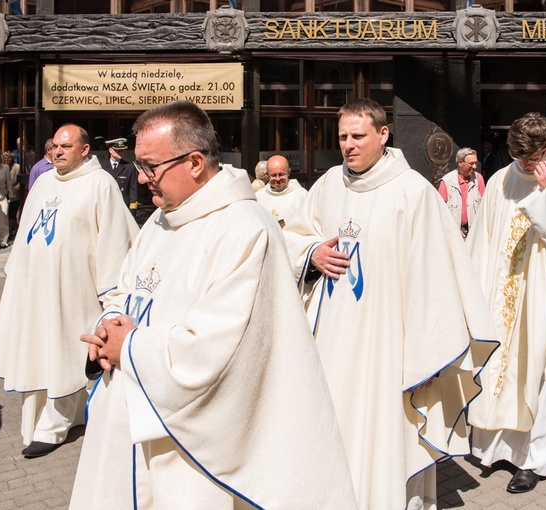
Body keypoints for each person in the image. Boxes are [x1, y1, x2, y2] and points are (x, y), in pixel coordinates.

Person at [70, 101, 356, 509]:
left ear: (194, 162)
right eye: (139, 163)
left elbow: (216, 350)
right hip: (127, 417)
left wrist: (129, 348)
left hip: (191, 447)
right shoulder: (159, 220)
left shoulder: (244, 230)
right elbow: (127, 290)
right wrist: (109, 322)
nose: (141, 176)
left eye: (151, 165)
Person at [284, 98, 497, 509]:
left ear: (384, 135)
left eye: (358, 136)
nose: (348, 145)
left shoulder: (412, 192)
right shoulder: (329, 183)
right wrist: (311, 252)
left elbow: (434, 284)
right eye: (343, 136)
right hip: (331, 346)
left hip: (387, 351)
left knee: (387, 440)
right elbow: (295, 233)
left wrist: (426, 361)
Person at [0, 124, 138, 458]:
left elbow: (114, 238)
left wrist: (111, 291)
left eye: (66, 147)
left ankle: (54, 426)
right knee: (38, 350)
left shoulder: (100, 184)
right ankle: (45, 419)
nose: (57, 152)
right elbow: (27, 231)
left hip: (74, 290)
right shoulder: (42, 182)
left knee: (64, 353)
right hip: (36, 288)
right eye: (55, 146)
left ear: (84, 150)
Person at [466, 112, 546, 494]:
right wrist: (475, 294)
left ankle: (534, 460)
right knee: (499, 371)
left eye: (532, 158)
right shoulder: (502, 180)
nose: (525, 165)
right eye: (518, 157)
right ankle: (497, 449)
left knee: (537, 373)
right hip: (499, 292)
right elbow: (481, 238)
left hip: (541, 297)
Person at [438, 147, 486, 238]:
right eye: (471, 164)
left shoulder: (478, 178)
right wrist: (453, 229)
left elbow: (485, 205)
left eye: (476, 163)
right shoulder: (446, 182)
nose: (475, 167)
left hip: (474, 233)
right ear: (460, 163)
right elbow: (440, 211)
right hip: (453, 234)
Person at [255, 154, 307, 228]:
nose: (278, 179)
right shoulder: (259, 197)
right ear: (267, 175)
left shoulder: (301, 196)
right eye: (273, 175)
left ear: (288, 172)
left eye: (281, 174)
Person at [100, 138, 138, 214]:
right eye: (118, 150)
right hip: (106, 206)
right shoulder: (102, 168)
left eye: (122, 150)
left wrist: (132, 211)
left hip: (123, 207)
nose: (121, 152)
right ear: (110, 150)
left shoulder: (129, 167)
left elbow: (133, 190)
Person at [2, 151, 22, 237]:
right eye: (5, 158)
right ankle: (17, 230)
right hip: (4, 193)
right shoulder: (3, 167)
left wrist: (15, 190)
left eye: (8, 158)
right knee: (8, 214)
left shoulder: (17, 167)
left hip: (14, 193)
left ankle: (10, 232)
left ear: (12, 158)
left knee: (12, 213)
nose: (6, 160)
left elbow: (18, 181)